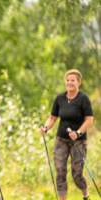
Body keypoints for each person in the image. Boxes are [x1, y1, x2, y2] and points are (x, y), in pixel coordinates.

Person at [40, 69, 93, 200]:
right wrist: (45, 128)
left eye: (72, 80)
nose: (69, 83)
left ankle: (85, 195)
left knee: (77, 174)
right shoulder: (60, 98)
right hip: (61, 140)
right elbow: (52, 118)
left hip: (78, 141)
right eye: (67, 80)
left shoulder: (83, 98)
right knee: (60, 172)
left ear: (78, 82)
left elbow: (89, 120)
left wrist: (78, 132)